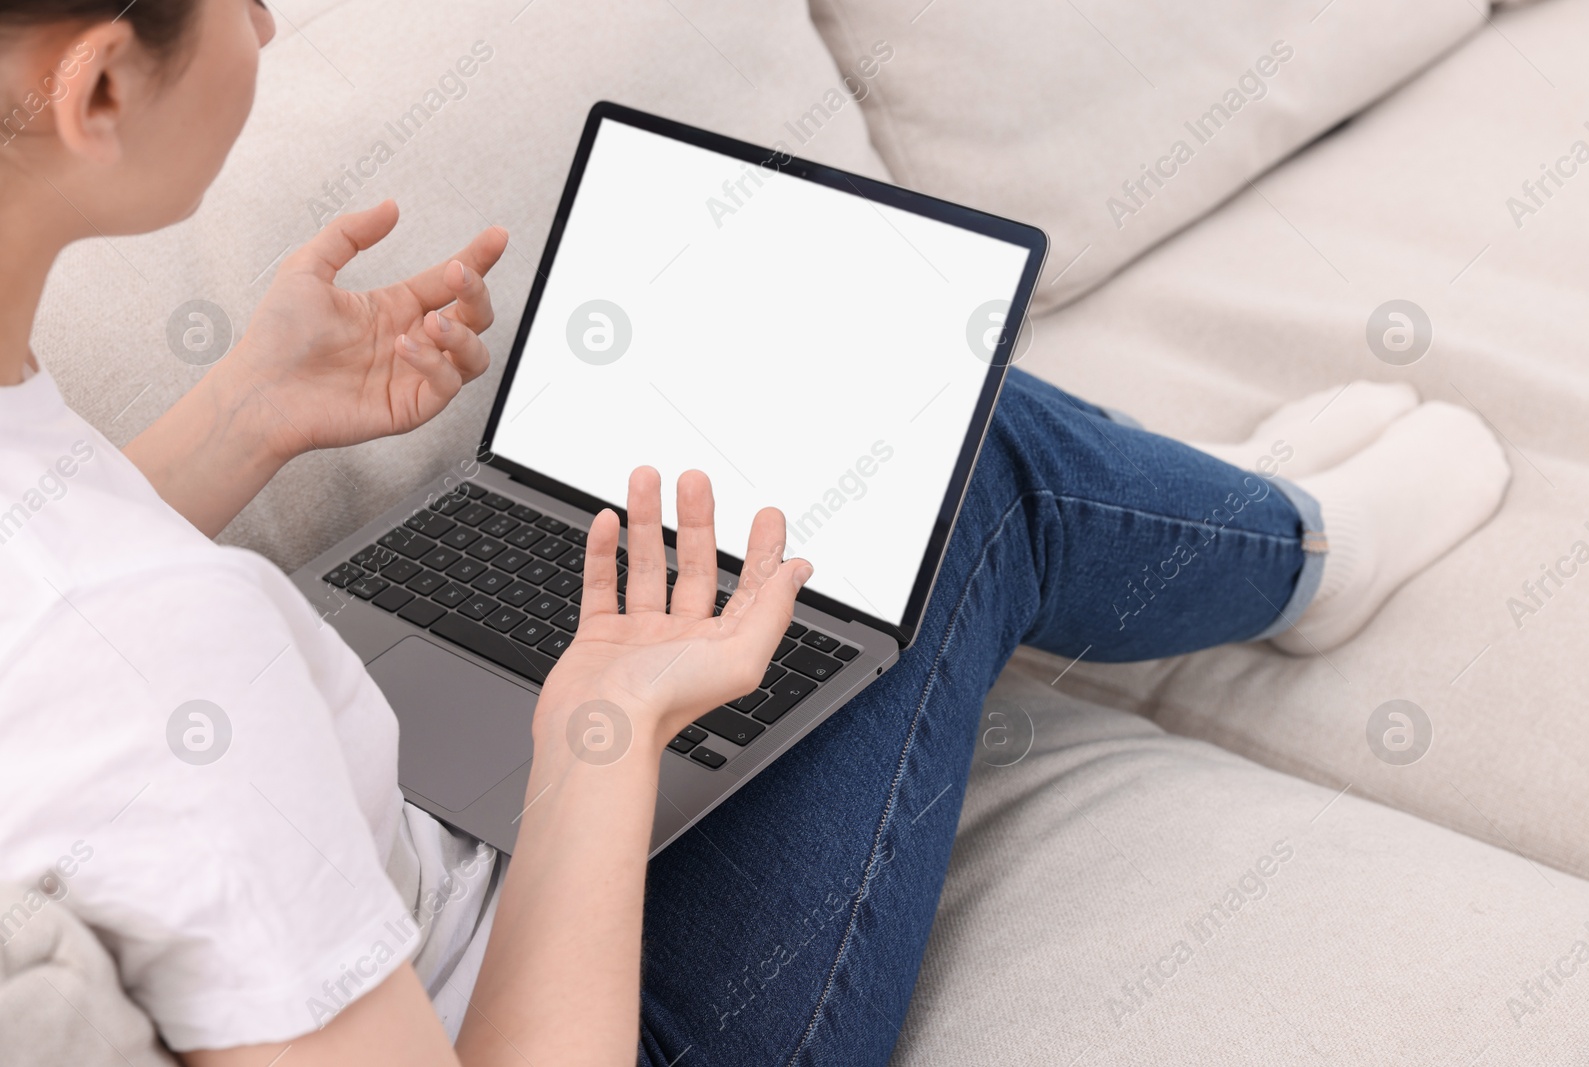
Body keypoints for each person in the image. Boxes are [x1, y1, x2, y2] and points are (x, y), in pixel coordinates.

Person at [0, 1, 1512, 1064]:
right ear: (99, 94)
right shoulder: (153, 650)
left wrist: (241, 417)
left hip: (388, 831)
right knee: (946, 478)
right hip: (624, 1023)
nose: (268, 28)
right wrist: (599, 734)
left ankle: (1223, 507)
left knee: (752, 483)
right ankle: (1306, 554)